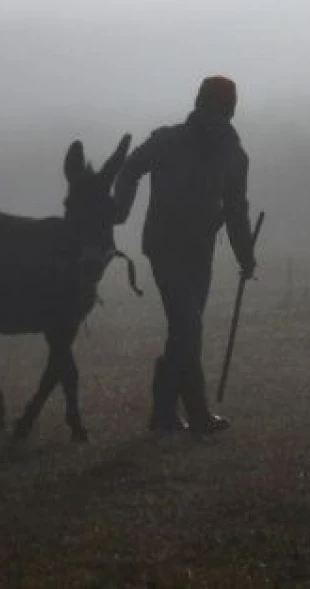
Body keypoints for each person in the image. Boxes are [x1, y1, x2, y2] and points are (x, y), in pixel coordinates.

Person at [112, 76, 257, 436]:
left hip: (199, 249)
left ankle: (191, 413)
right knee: (189, 326)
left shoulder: (233, 155)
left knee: (186, 329)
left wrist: (245, 254)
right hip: (164, 247)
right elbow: (130, 170)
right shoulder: (168, 141)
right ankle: (168, 412)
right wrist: (121, 210)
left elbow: (236, 209)